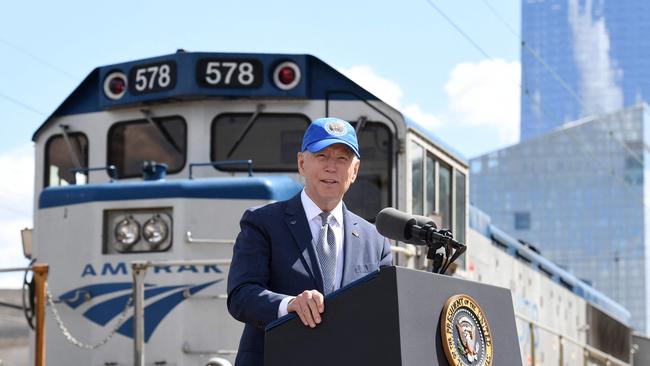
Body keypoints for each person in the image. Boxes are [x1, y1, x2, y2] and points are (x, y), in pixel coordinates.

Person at [227, 117, 393, 366]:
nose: (331, 167)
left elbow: (383, 317)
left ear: (355, 171)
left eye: (342, 159)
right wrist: (289, 305)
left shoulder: (375, 241)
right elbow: (241, 296)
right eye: (322, 155)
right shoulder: (262, 223)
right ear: (302, 163)